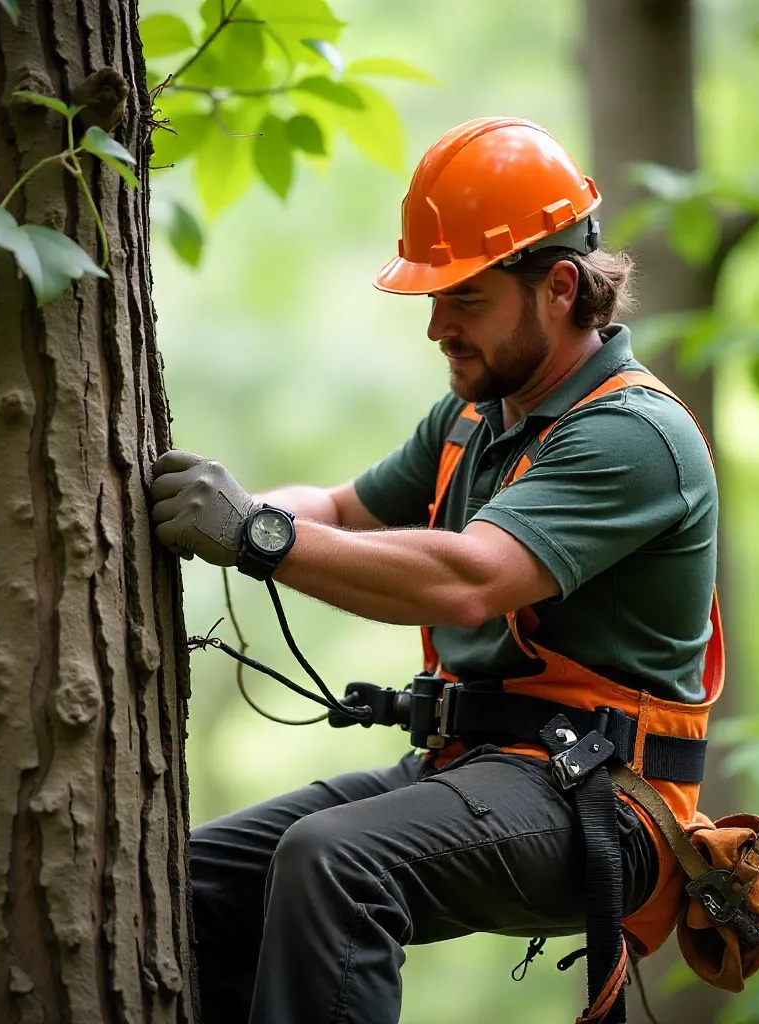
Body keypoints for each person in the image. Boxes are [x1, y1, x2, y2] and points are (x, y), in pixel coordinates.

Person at [150, 117, 722, 1024]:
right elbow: (337, 510)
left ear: (560, 288)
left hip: (605, 797)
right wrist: (228, 508)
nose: (435, 327)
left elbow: (470, 578)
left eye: (465, 298)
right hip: (473, 762)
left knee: (335, 858)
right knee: (193, 881)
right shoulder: (477, 415)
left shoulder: (633, 436)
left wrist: (255, 536)